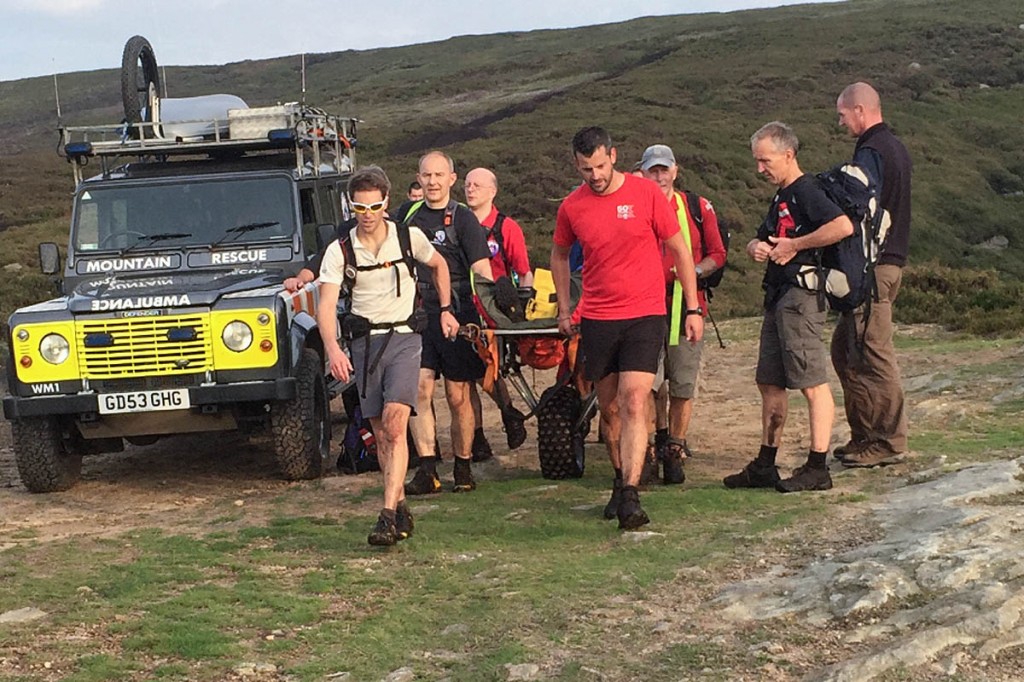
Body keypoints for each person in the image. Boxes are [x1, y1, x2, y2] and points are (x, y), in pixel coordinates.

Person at [551, 126, 703, 530]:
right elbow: (560, 254)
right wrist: (565, 307)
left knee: (636, 400)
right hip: (598, 317)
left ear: (614, 156)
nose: (595, 175)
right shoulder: (572, 206)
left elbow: (679, 249)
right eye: (586, 169)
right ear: (576, 165)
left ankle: (633, 494)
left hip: (645, 313)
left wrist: (692, 307)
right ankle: (620, 482)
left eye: (600, 165)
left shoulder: (646, 194)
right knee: (611, 408)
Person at [316, 166, 458, 546]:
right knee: (381, 434)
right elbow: (326, 304)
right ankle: (401, 504)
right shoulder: (340, 249)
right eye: (359, 208)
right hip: (364, 345)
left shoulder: (408, 238)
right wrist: (333, 349)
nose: (367, 215)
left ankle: (386, 516)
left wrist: (446, 309)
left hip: (405, 338)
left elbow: (439, 264)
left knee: (396, 425)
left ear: (386, 203)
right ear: (351, 206)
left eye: (374, 206)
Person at [724, 121, 853, 494]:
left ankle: (817, 466)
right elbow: (762, 237)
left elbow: (842, 226)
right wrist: (755, 248)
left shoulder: (807, 190)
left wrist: (793, 247)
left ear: (788, 154)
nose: (759, 169)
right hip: (779, 296)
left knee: (812, 382)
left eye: (765, 161)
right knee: (770, 381)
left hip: (801, 297)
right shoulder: (783, 196)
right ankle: (766, 463)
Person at [399, 151, 494, 496]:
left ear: (452, 179)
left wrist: (486, 318)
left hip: (460, 312)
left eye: (440, 175)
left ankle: (463, 466)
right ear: (419, 177)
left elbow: (482, 270)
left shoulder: (465, 220)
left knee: (457, 395)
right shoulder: (406, 216)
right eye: (427, 176)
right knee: (419, 389)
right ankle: (427, 469)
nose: (433, 182)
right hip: (419, 314)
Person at [831, 82, 912, 468]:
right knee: (847, 349)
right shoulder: (893, 147)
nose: (842, 122)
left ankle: (889, 440)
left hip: (875, 266)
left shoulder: (873, 152)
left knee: (873, 352)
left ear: (860, 110)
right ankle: (865, 435)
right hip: (886, 263)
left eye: (843, 115)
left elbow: (860, 205)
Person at [640, 144, 727, 484]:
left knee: (682, 381)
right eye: (653, 170)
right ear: (644, 173)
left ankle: (674, 448)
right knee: (647, 382)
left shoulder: (696, 207)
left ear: (675, 171)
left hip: (688, 305)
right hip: (646, 305)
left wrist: (692, 273)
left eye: (664, 169)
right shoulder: (637, 206)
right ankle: (647, 447)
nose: (659, 176)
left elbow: (718, 253)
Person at [463, 167, 532, 456]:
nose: (470, 189)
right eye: (467, 184)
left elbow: (524, 273)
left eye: (477, 185)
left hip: (493, 313)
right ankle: (477, 438)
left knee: (485, 374)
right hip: (460, 307)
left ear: (493, 191)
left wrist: (520, 313)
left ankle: (508, 413)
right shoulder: (457, 223)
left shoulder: (506, 228)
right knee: (462, 380)